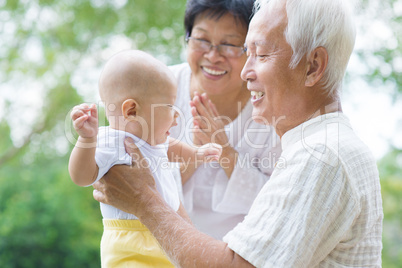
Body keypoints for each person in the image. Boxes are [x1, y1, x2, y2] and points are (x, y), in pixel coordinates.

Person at [93, 0, 384, 267]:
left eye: (259, 54)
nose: (245, 72)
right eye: (248, 53)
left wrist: (144, 201)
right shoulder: (315, 145)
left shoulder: (320, 155)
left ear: (313, 66)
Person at [68, 50, 222, 267]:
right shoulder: (110, 140)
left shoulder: (154, 141)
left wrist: (196, 154)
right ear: (131, 110)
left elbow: (171, 149)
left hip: (166, 232)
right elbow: (82, 177)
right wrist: (86, 139)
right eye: (169, 106)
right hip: (131, 241)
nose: (176, 115)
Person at [169, 0, 282, 240]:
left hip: (236, 252)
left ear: (253, 50)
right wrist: (196, 154)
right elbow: (136, 185)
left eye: (229, 44)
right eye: (201, 40)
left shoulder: (271, 109)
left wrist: (226, 153)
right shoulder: (160, 87)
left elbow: (278, 204)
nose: (213, 55)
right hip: (157, 246)